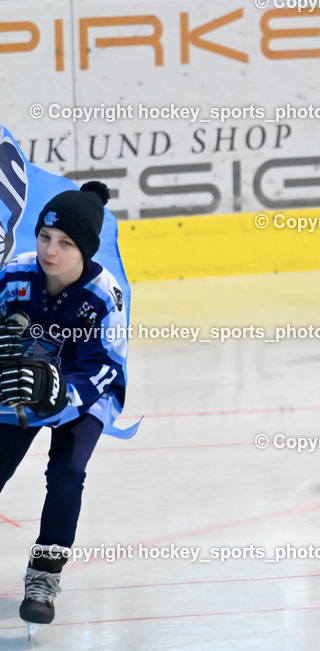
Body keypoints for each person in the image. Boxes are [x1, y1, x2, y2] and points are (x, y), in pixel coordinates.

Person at [0, 181, 128, 630]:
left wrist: (61, 393)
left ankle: (44, 576)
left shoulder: (103, 296)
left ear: (86, 250)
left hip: (86, 395)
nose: (50, 250)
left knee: (68, 473)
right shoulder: (12, 275)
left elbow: (107, 368)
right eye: (44, 237)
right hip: (19, 385)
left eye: (66, 242)